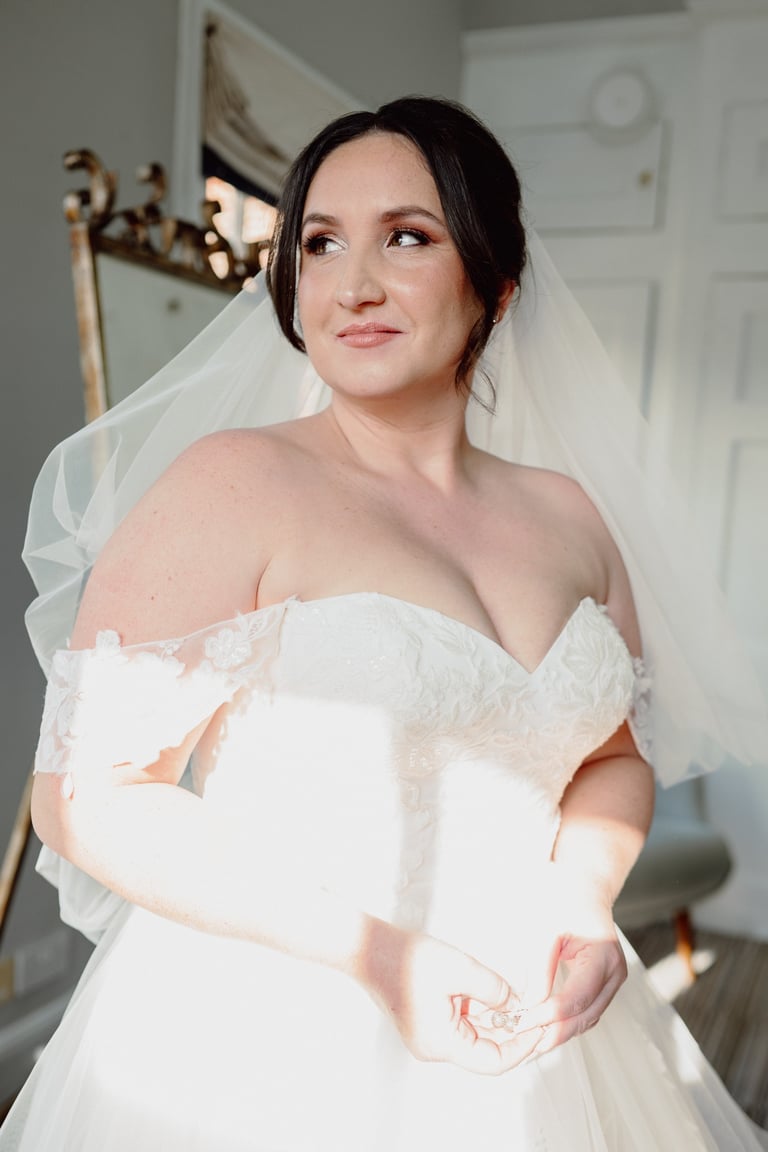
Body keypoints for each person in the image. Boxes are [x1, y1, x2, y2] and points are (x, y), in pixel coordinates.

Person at [2, 97, 765, 1150]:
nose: (352, 284)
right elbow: (85, 798)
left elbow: (612, 758)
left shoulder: (570, 515)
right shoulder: (232, 485)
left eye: (406, 237)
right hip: (276, 1030)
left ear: (496, 281)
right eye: (320, 243)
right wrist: (379, 956)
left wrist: (581, 899)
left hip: (537, 1011)